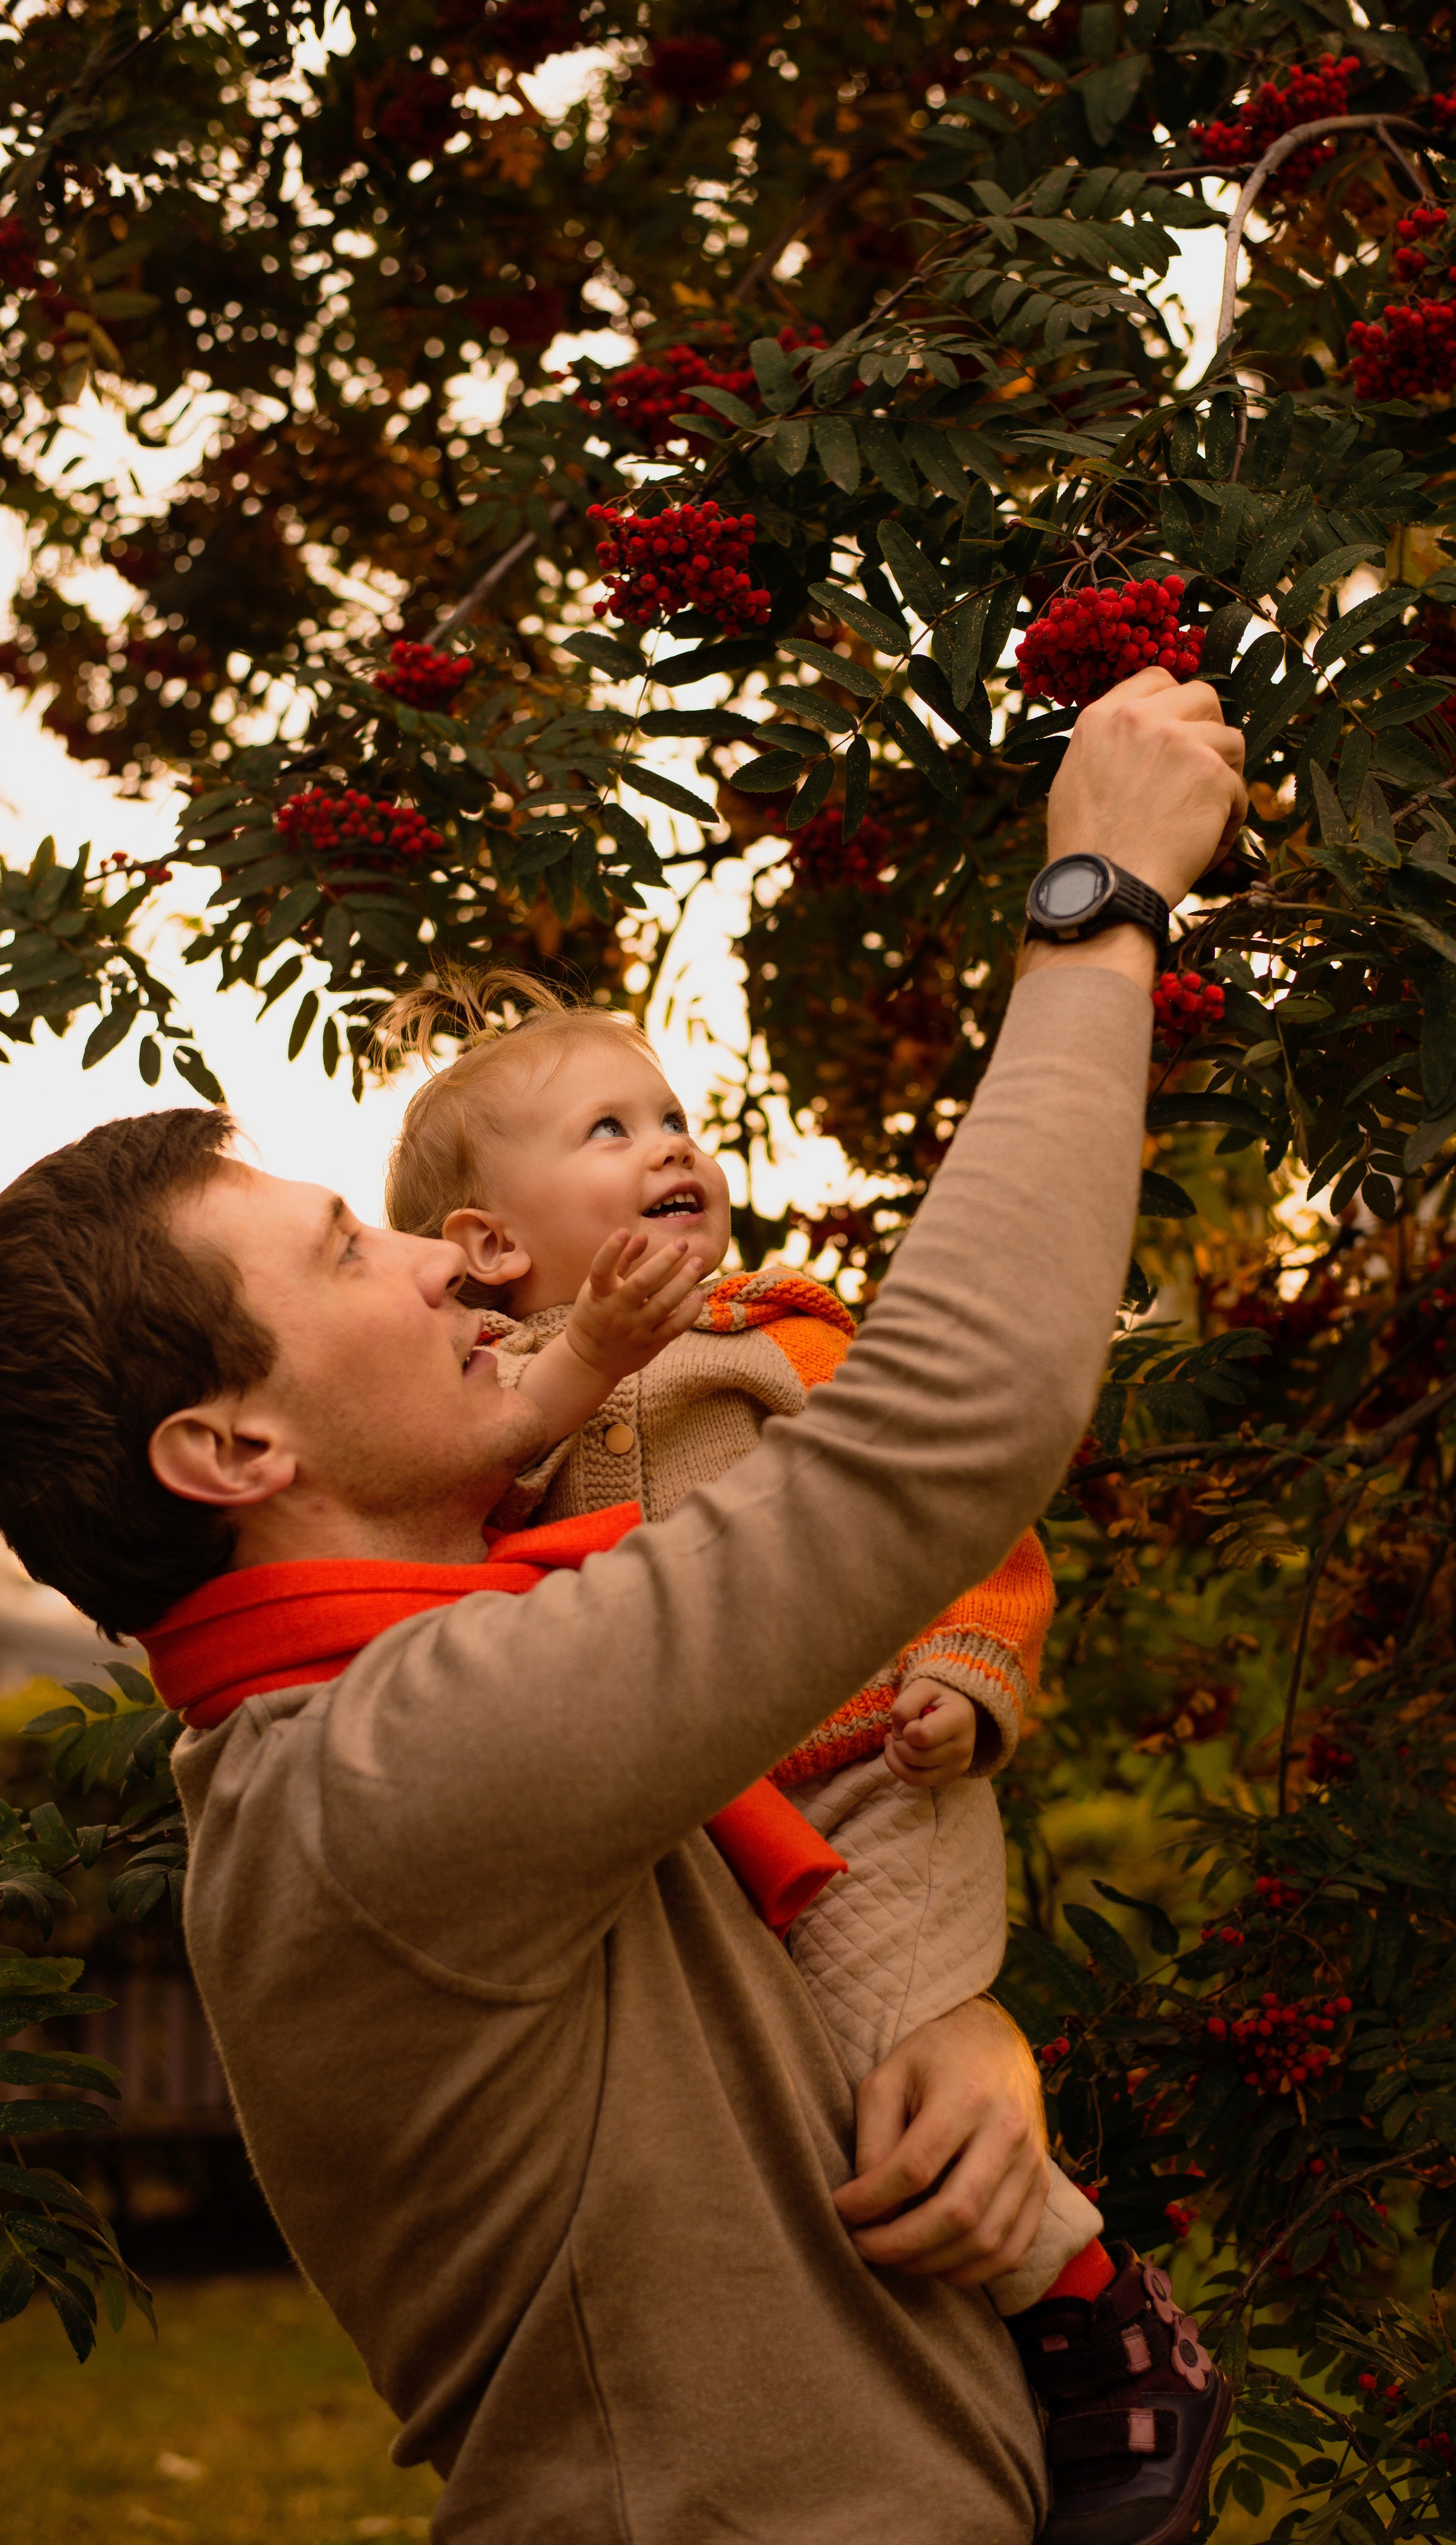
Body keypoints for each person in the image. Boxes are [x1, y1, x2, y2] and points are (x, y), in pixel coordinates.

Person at [0, 668, 1246, 2544]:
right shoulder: (388, 1767)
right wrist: (1101, 900)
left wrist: (944, 2022)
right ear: (232, 1444)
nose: (439, 1263)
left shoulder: (411, 1719)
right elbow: (945, 1430)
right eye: (353, 1246)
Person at [374, 967, 1100, 2320]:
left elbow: (940, 1498)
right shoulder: (480, 1406)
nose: (670, 1147)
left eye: (671, 1118)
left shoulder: (767, 1335)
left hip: (869, 1771)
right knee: (751, 2100)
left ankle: (1095, 2316)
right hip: (688, 1832)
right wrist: (571, 1357)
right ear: (485, 1246)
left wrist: (966, 1669)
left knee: (886, 2054)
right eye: (607, 1131)